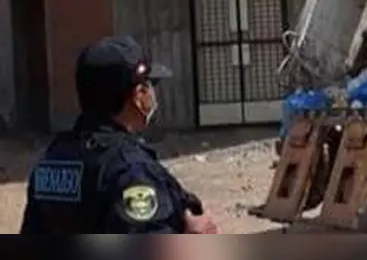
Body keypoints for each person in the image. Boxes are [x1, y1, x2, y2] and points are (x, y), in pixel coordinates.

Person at [19, 35, 220, 234]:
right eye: (151, 85)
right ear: (139, 95)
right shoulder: (130, 170)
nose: (152, 94)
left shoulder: (53, 159)